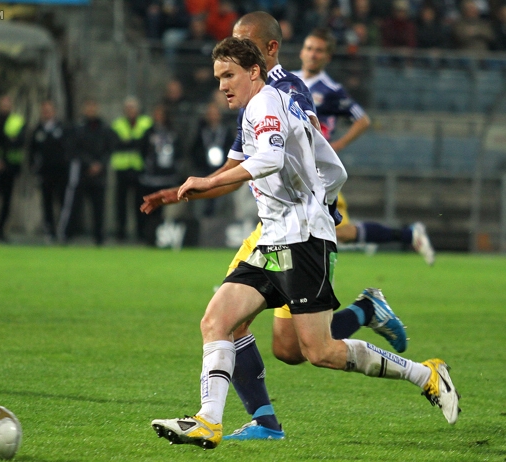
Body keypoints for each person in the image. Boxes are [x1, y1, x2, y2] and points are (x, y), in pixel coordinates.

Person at [150, 36, 460, 450]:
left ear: (254, 71)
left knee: (321, 351)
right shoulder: (259, 108)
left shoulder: (267, 102)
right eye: (218, 77)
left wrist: (211, 180)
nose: (222, 85)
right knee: (217, 321)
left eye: (229, 75)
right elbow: (333, 168)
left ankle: (426, 374)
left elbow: (271, 160)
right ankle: (208, 420)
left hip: (301, 242)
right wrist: (319, 195)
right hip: (276, 238)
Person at [294, 27, 435, 266]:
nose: (313, 54)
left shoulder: (331, 91)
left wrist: (337, 144)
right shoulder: (288, 80)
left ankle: (408, 235)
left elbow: (363, 120)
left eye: (319, 51)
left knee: (333, 232)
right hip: (295, 168)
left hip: (318, 174)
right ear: (301, 51)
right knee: (294, 227)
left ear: (327, 57)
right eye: (309, 48)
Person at [68, 99, 112, 246]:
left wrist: (100, 164)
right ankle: (69, 235)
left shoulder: (104, 128)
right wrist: (89, 164)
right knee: (75, 206)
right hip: (82, 173)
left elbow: (109, 149)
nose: (91, 110)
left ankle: (99, 238)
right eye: (88, 107)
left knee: (99, 209)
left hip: (99, 175)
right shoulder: (79, 128)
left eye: (93, 107)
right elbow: (76, 149)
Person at [138, 104, 183, 245]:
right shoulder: (149, 132)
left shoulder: (173, 132)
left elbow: (180, 151)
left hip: (168, 178)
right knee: (150, 207)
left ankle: (163, 236)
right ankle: (147, 236)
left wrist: (175, 167)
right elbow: (142, 150)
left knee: (166, 210)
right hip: (151, 178)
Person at [110, 96, 154, 242]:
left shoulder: (146, 122)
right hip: (122, 168)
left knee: (140, 203)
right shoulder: (118, 124)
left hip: (138, 168)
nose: (130, 111)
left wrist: (129, 143)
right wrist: (135, 143)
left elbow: (145, 143)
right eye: (128, 108)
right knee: (120, 203)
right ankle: (120, 233)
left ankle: (141, 233)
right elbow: (115, 144)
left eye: (133, 108)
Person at [29, 100, 70, 243]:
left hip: (60, 172)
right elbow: (32, 152)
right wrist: (34, 168)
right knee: (47, 203)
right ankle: (49, 231)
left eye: (49, 110)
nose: (47, 113)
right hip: (44, 173)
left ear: (54, 112)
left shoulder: (62, 128)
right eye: (44, 110)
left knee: (62, 202)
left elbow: (68, 149)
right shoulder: (38, 130)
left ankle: (63, 232)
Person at [0, 95, 26, 242]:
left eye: (7, 104)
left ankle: (0, 229)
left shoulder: (17, 121)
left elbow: (19, 142)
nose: (5, 107)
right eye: (3, 104)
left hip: (11, 167)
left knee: (6, 201)